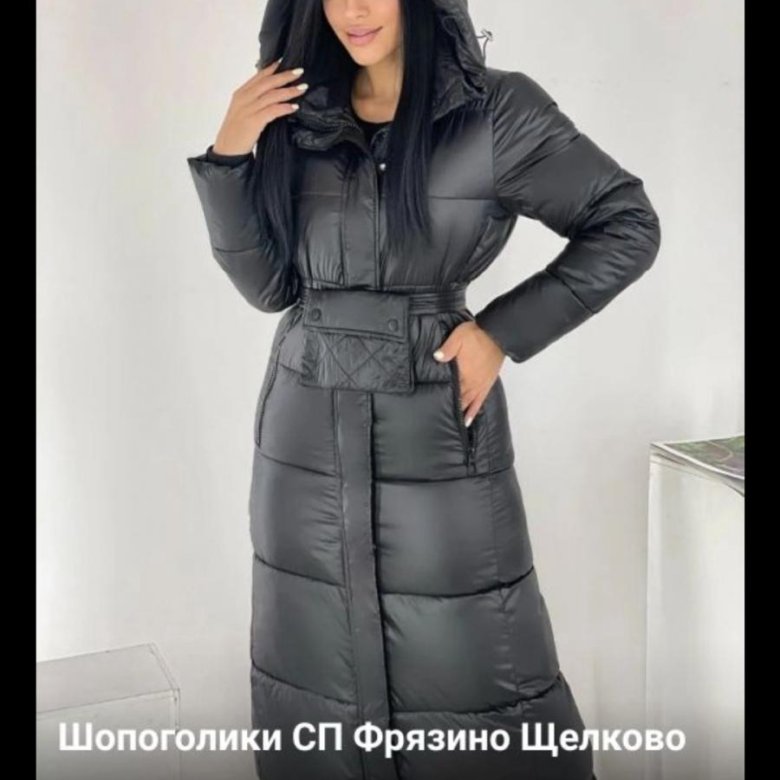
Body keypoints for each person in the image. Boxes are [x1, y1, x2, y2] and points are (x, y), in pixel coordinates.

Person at [186, 1, 661, 778]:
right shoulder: (296, 112)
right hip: (303, 435)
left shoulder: (494, 110)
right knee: (316, 675)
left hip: (435, 427)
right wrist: (230, 155)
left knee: (476, 666)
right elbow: (268, 287)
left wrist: (500, 332)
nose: (354, 9)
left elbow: (626, 222)